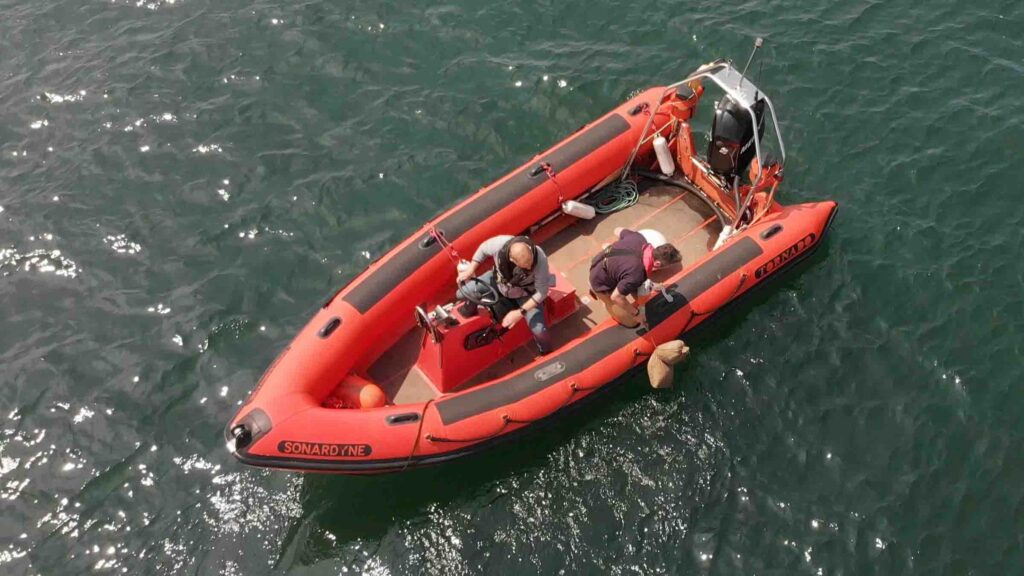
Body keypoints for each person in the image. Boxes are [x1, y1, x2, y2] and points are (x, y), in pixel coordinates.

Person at [456, 235, 553, 355]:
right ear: (512, 260)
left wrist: (519, 313)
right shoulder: (499, 244)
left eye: (530, 263)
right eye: (525, 265)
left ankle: (546, 352)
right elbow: (483, 249)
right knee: (461, 293)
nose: (529, 267)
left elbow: (542, 292)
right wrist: (471, 269)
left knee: (539, 330)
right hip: (499, 283)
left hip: (525, 293)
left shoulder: (540, 258)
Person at [589, 227, 682, 327]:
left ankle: (617, 273)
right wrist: (636, 314)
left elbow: (617, 230)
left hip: (603, 262)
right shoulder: (636, 274)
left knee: (639, 288)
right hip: (600, 282)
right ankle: (604, 299)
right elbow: (616, 297)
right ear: (657, 264)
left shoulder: (638, 237)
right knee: (632, 323)